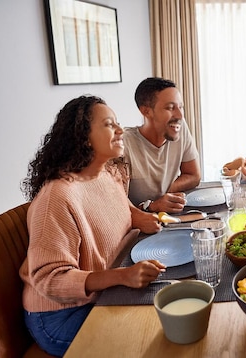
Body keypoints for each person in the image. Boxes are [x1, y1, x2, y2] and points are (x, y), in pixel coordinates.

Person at [19, 96, 166, 356]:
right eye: (110, 125)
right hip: (59, 314)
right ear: (84, 137)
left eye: (118, 123)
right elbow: (49, 279)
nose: (121, 130)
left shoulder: (108, 173)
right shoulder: (58, 197)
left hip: (105, 291)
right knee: (149, 337)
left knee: (169, 314)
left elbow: (114, 211)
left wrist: (136, 215)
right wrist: (123, 276)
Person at [123, 77, 201, 216]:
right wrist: (153, 206)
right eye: (170, 108)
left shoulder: (179, 128)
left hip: (167, 219)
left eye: (180, 107)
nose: (180, 115)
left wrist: (165, 193)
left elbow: (193, 175)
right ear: (146, 111)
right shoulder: (124, 144)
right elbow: (115, 207)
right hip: (139, 227)